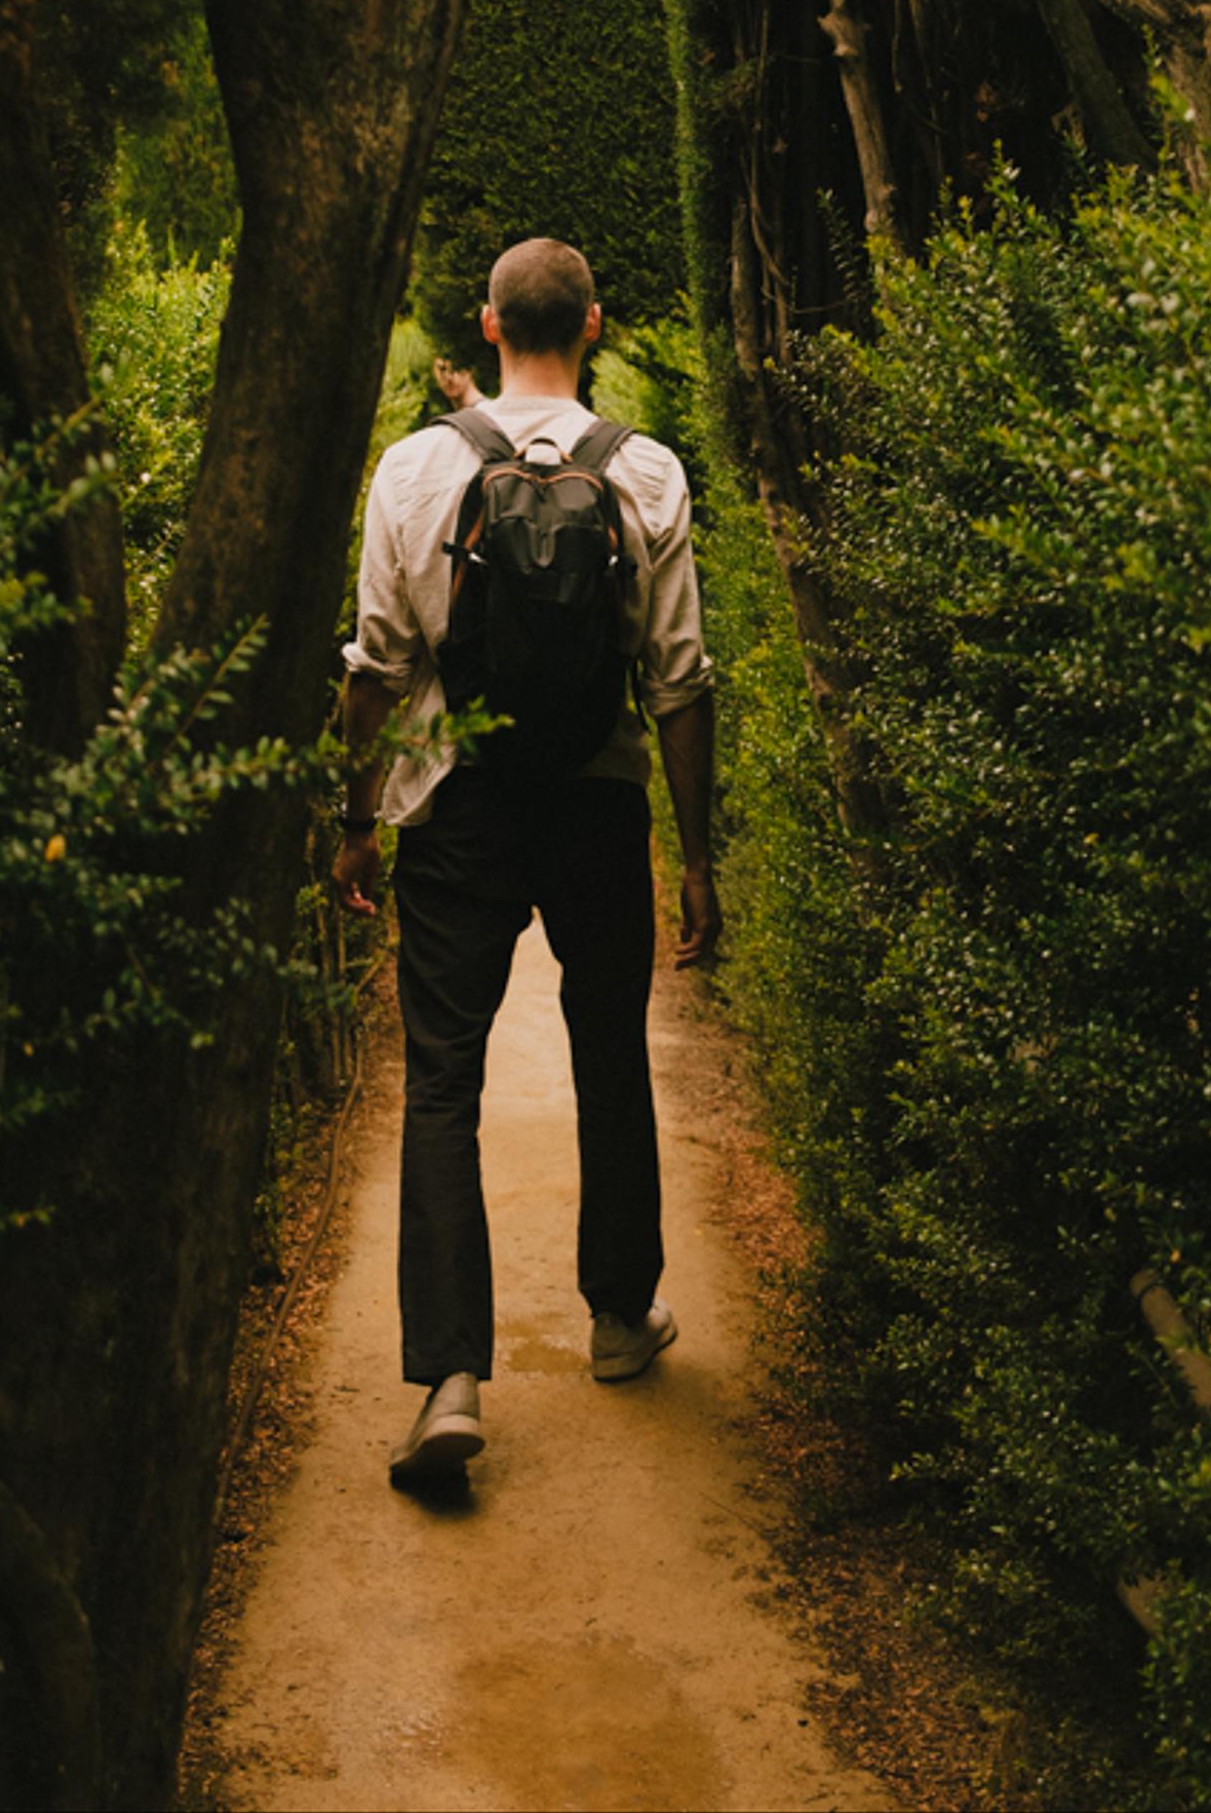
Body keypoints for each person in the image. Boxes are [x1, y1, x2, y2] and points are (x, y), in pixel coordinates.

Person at [335, 236, 720, 1488]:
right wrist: (697, 852)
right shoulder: (647, 472)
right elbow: (677, 680)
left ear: (489, 327)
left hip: (458, 802)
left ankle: (450, 1380)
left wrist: (353, 817)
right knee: (608, 1047)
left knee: (442, 1079)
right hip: (598, 800)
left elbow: (376, 665)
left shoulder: (416, 469)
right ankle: (618, 1317)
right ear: (593, 324)